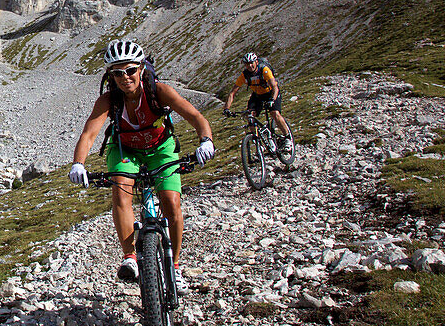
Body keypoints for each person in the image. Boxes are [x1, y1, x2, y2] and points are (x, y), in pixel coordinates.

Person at [69, 39, 215, 291]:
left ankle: (175, 266)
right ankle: (130, 257)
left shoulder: (159, 91)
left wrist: (206, 141)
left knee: (171, 201)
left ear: (141, 69)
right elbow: (89, 134)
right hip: (126, 150)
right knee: (120, 190)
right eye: (117, 72)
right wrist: (78, 164)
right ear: (110, 76)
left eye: (130, 70)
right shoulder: (108, 100)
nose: (125, 77)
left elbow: (195, 116)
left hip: (161, 148)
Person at [223, 52, 290, 147]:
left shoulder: (264, 70)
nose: (250, 66)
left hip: (270, 93)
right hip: (257, 95)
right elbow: (232, 92)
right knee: (250, 116)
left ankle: (287, 137)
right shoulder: (244, 75)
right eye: (247, 64)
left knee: (274, 114)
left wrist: (272, 99)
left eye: (251, 63)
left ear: (256, 62)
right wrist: (226, 108)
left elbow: (275, 87)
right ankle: (258, 144)